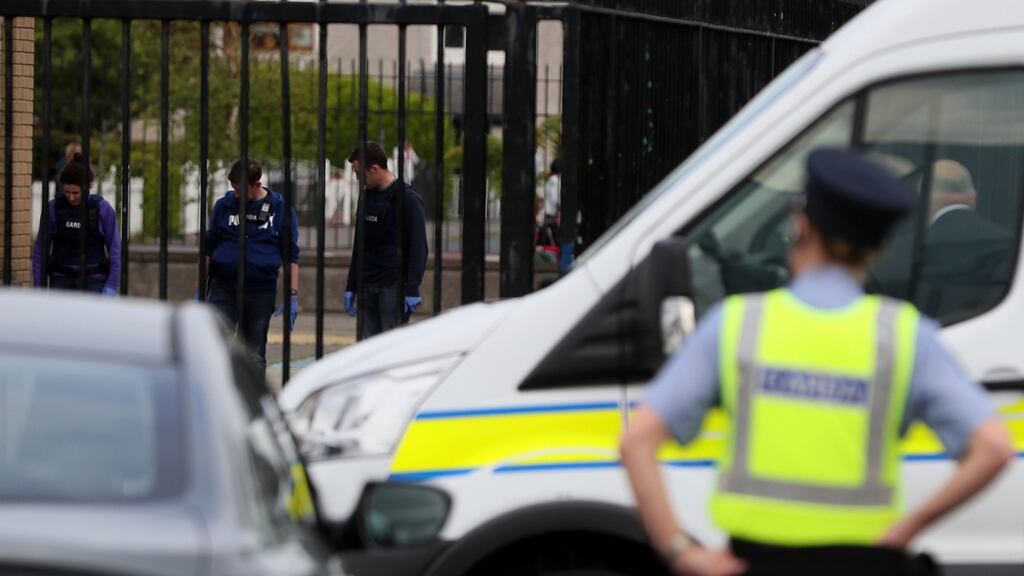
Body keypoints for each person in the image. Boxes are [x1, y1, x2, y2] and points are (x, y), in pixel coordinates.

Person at [620, 149, 1015, 576]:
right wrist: (907, 530)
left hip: (757, 563)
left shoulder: (737, 324)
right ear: (879, 249)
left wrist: (681, 552)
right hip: (867, 564)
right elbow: (993, 448)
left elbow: (637, 441)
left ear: (800, 225)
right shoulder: (904, 334)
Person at [202, 159, 300, 370]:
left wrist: (292, 294)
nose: (236, 194)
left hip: (260, 290)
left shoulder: (279, 209)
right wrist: (199, 290)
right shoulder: (224, 206)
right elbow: (208, 249)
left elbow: (291, 255)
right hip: (224, 288)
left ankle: (250, 401)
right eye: (234, 189)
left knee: (253, 352)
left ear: (257, 184)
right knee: (216, 346)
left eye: (240, 189)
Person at [344, 141, 428, 338]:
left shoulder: (406, 198)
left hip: (392, 286)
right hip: (367, 284)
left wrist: (412, 287)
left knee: (390, 347)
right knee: (370, 350)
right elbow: (360, 244)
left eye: (359, 173)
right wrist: (351, 285)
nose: (357, 179)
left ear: (373, 169)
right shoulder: (366, 197)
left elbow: (418, 246)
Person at [32, 152, 120, 295]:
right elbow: (40, 251)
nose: (71, 197)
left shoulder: (103, 209)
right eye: (67, 192)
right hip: (60, 280)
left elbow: (115, 250)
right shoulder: (54, 208)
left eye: (76, 193)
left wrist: (111, 285)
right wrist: (38, 287)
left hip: (94, 282)